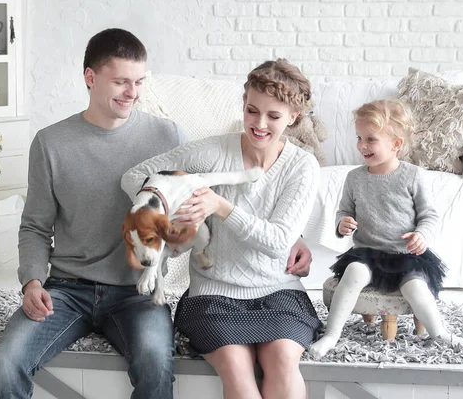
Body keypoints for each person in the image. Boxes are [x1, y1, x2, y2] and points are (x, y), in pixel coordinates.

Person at [0, 29, 313, 399]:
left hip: (137, 292)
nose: (133, 92)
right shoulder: (50, 143)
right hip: (66, 288)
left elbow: (206, 193)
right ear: (90, 78)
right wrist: (32, 281)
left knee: (157, 363)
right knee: (5, 362)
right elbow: (34, 225)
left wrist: (292, 234)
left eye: (139, 81)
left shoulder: (169, 135)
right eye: (122, 81)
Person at [121, 58, 321, 399]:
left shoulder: (302, 166)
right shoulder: (213, 151)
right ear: (242, 105)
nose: (259, 124)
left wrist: (221, 207)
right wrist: (169, 206)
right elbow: (132, 177)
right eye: (252, 111)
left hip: (280, 292)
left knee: (283, 363)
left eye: (273, 116)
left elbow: (277, 243)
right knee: (237, 370)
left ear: (294, 118)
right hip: (214, 295)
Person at [308, 100, 463, 359]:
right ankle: (331, 334)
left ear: (396, 144)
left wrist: (421, 234)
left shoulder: (413, 175)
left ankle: (440, 333)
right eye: (359, 138)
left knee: (415, 288)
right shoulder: (355, 178)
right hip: (368, 253)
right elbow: (344, 211)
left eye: (371, 139)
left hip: (405, 256)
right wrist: (342, 223)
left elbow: (429, 215)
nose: (362, 145)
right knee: (352, 274)